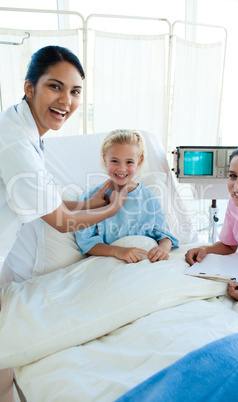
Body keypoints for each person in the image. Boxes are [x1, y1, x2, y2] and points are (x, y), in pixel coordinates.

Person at [0, 46, 127, 402]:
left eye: (74, 92)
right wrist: (110, 209)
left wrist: (89, 202)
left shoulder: (21, 127)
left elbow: (48, 199)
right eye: (55, 87)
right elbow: (59, 221)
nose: (66, 101)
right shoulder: (17, 146)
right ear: (30, 87)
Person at [75, 129, 179, 263]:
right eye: (114, 161)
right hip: (110, 263)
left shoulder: (148, 197)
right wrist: (117, 251)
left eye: (129, 162)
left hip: (145, 261)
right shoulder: (90, 197)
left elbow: (164, 235)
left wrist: (163, 248)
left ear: (139, 162)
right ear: (104, 160)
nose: (121, 168)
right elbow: (86, 242)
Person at [185, 141, 238, 303]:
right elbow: (229, 245)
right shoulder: (237, 203)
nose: (237, 186)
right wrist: (205, 249)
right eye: (233, 176)